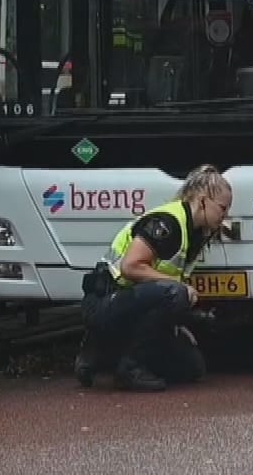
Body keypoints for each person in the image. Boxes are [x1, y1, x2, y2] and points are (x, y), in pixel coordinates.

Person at [76, 165, 233, 391]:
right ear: (202, 201)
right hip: (105, 300)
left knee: (192, 368)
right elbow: (130, 267)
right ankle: (129, 367)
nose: (225, 216)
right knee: (175, 293)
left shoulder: (196, 233)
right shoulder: (168, 223)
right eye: (222, 208)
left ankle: (108, 352)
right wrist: (178, 288)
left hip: (132, 302)